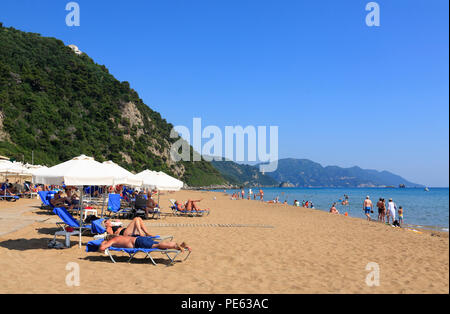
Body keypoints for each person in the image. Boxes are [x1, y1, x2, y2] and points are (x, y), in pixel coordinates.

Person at [99, 234, 191, 252]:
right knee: (160, 243)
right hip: (140, 239)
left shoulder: (113, 240)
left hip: (138, 242)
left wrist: (103, 243)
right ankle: (180, 245)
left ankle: (176, 246)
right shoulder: (121, 236)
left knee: (158, 245)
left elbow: (102, 248)